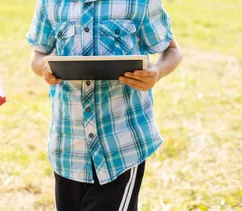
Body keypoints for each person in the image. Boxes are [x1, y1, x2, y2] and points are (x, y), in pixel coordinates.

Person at [26, 0, 182, 210]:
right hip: (69, 148)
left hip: (121, 146)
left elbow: (172, 51)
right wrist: (44, 66)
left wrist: (157, 72)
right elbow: (37, 56)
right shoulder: (50, 3)